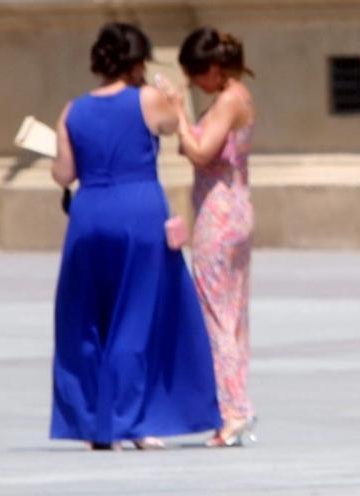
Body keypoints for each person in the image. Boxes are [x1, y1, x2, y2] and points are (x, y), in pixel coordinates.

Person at [50, 22, 222, 450]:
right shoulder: (148, 99)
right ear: (137, 61)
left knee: (89, 318)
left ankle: (94, 425)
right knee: (135, 316)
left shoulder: (72, 110)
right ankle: (132, 421)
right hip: (138, 213)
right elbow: (172, 125)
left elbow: (64, 173)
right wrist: (176, 99)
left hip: (89, 216)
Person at [167, 27, 257, 447]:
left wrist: (181, 116)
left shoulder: (228, 100)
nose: (192, 84)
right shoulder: (239, 96)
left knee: (217, 315)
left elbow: (203, 153)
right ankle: (237, 405)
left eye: (195, 75)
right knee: (233, 315)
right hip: (237, 208)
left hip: (218, 216)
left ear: (215, 69)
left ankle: (233, 410)